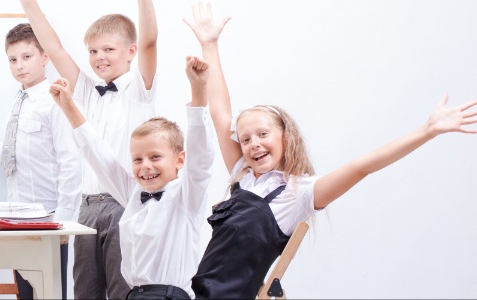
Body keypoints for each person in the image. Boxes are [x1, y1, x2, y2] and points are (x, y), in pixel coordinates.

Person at [183, 2, 477, 298]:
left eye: (262, 134)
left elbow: (363, 166)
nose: (253, 144)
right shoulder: (243, 177)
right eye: (245, 139)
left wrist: (427, 130)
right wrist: (209, 44)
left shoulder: (299, 192)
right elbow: (221, 113)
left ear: (286, 136)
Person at [19, 0, 159, 298]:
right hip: (87, 207)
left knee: (125, 289)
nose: (99, 57)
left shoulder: (140, 89)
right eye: (93, 51)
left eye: (109, 49)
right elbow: (54, 49)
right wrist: (29, 6)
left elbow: (149, 42)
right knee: (85, 290)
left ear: (130, 52)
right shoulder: (87, 90)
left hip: (125, 203)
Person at [48, 56, 213, 299]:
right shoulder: (134, 194)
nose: (145, 166)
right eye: (137, 159)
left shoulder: (187, 196)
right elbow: (99, 155)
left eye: (155, 157)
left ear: (179, 160)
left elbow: (201, 158)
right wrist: (69, 107)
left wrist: (198, 92)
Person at [0, 23, 82, 300]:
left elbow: (71, 162)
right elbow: (11, 154)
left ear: (45, 58)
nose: (19, 66)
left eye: (27, 57)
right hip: (18, 216)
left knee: (50, 294)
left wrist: (64, 222)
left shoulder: (55, 101)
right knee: (26, 294)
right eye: (13, 60)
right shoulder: (19, 102)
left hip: (49, 218)